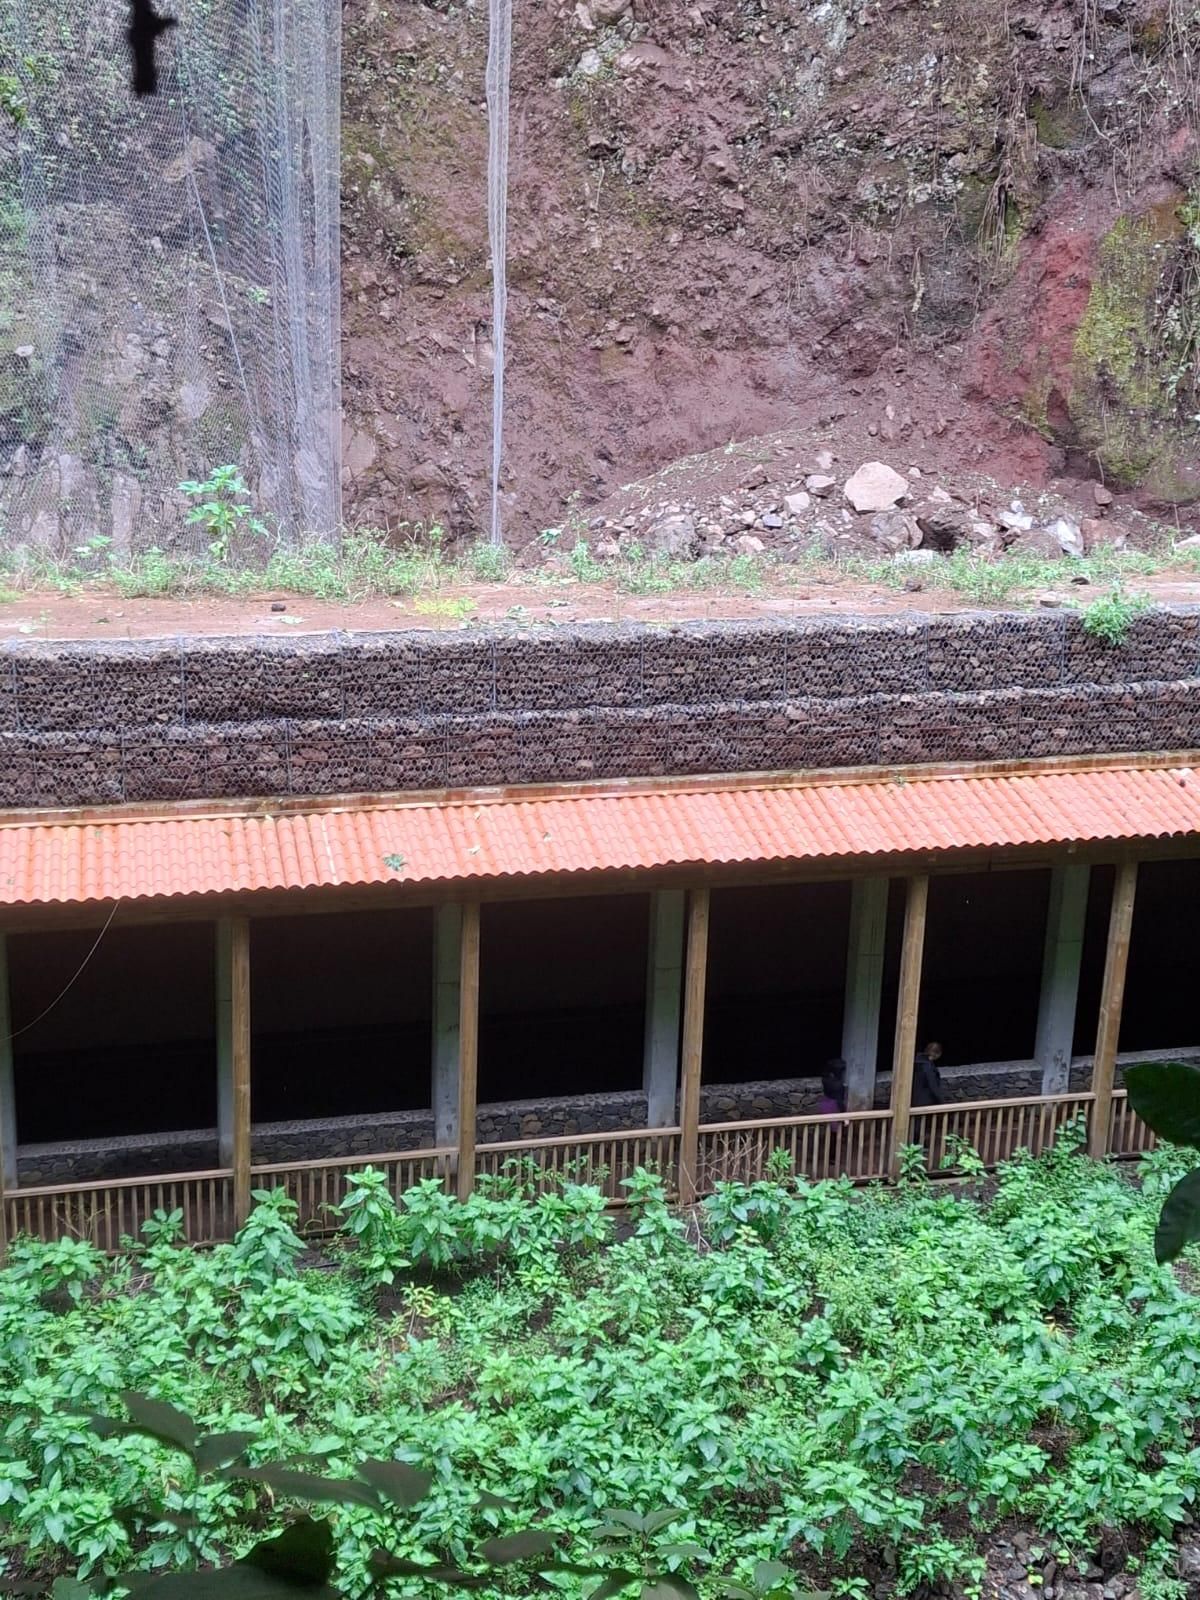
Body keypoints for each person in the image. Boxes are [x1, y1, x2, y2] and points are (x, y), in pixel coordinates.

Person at [913, 1040, 946, 1106]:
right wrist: (942, 1102)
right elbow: (933, 1085)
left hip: (913, 1101)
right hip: (925, 1103)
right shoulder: (928, 1066)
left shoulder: (915, 1062)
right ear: (938, 1054)